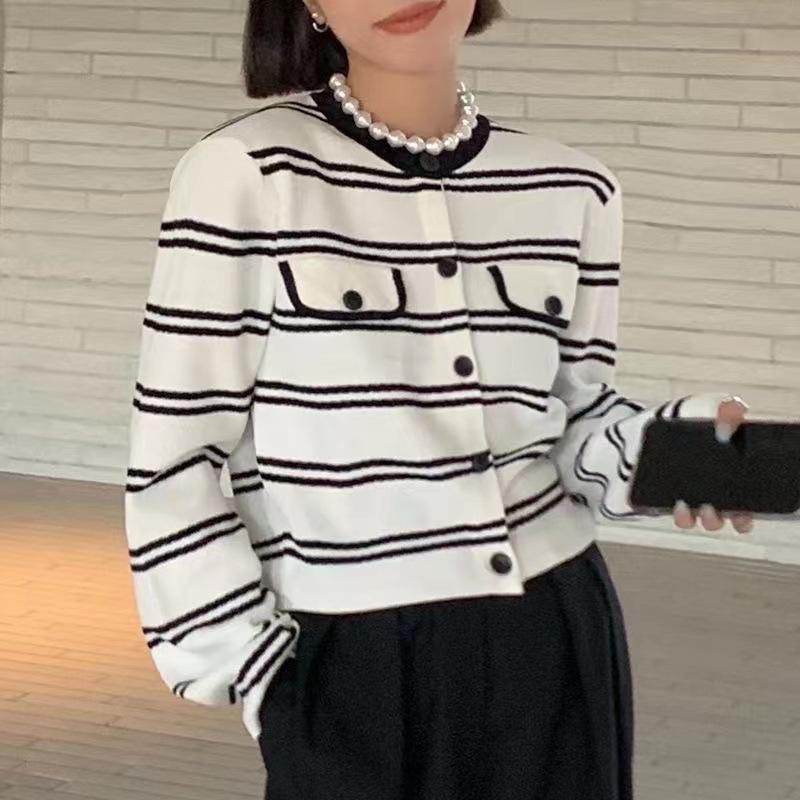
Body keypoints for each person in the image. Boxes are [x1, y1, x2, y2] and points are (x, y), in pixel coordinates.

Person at [123, 1, 754, 798]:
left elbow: (573, 415)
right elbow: (175, 453)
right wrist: (254, 672)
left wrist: (670, 450)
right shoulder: (248, 173)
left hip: (554, 629)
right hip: (351, 658)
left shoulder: (574, 187)